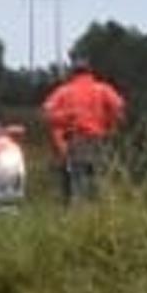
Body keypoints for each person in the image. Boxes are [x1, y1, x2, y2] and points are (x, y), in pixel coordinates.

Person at [43, 57, 126, 202]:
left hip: (76, 141)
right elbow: (119, 108)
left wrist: (64, 119)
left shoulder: (64, 91)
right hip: (100, 141)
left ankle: (79, 216)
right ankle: (102, 215)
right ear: (90, 71)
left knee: (77, 182)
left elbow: (47, 112)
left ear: (73, 73)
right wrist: (111, 126)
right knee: (100, 180)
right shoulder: (103, 89)